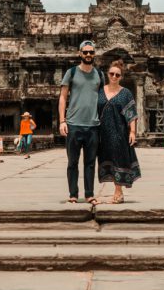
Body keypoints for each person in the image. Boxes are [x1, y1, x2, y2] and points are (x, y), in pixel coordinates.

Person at [58, 40, 104, 205]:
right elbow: (63, 97)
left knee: (90, 162)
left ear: (94, 54)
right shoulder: (71, 73)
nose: (88, 55)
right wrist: (62, 121)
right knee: (72, 162)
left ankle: (90, 194)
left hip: (93, 125)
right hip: (73, 124)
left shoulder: (99, 74)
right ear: (80, 53)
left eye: (91, 52)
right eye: (85, 52)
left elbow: (103, 99)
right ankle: (73, 194)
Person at [97, 59, 141, 203]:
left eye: (117, 75)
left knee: (119, 160)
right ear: (107, 74)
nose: (114, 77)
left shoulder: (125, 93)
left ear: (121, 77)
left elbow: (131, 114)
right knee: (106, 160)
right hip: (102, 134)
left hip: (119, 132)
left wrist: (133, 132)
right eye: (112, 74)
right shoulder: (99, 91)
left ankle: (118, 192)